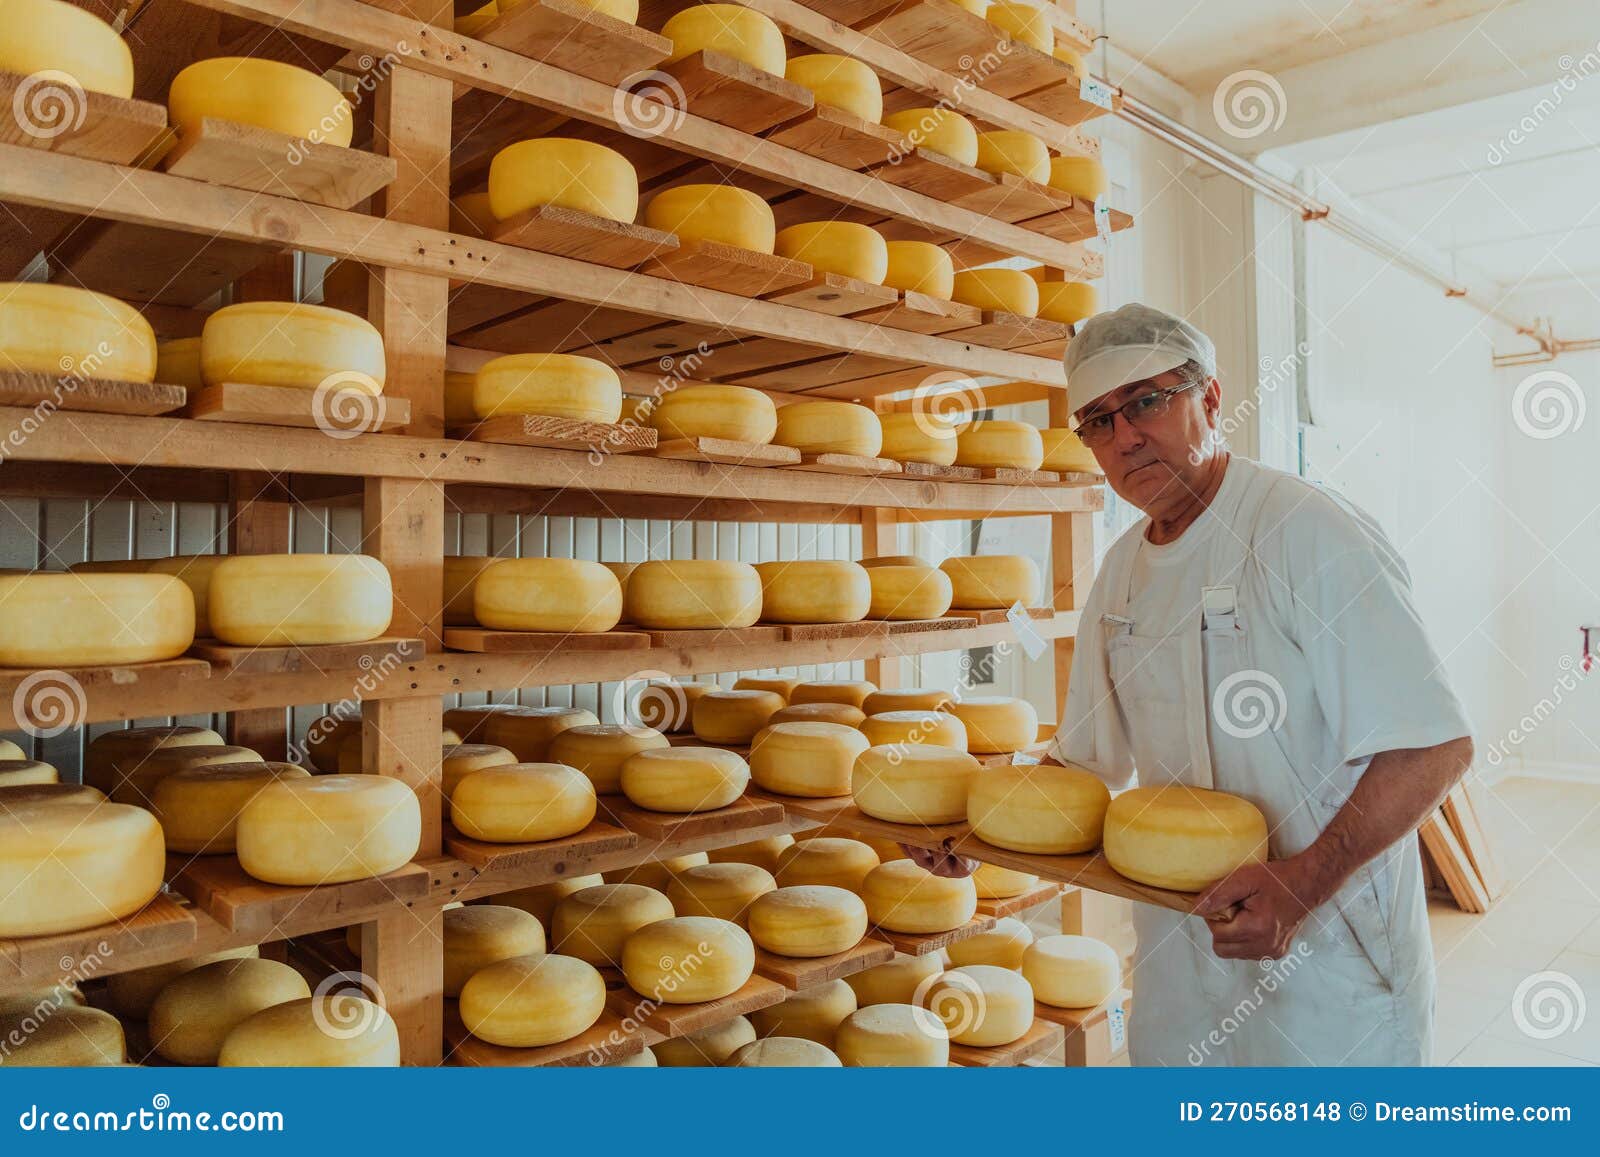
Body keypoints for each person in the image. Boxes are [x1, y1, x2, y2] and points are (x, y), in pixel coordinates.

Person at [915, 303, 1473, 1065]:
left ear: (1210, 398)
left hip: (1328, 963)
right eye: (1098, 422)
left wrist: (1302, 883)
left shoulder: (1306, 530)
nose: (1124, 437)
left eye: (1146, 401)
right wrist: (978, 839)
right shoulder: (1120, 572)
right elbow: (1081, 766)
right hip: (1184, 969)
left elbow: (1434, 746)